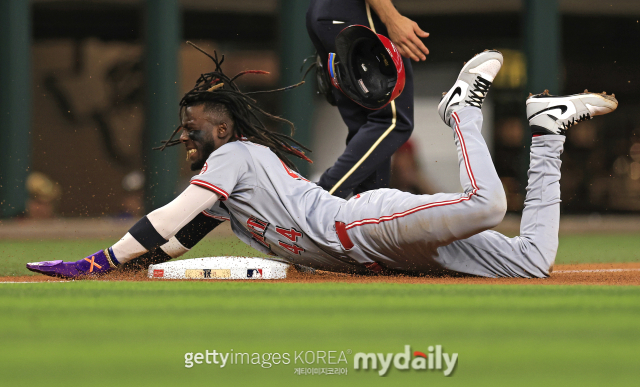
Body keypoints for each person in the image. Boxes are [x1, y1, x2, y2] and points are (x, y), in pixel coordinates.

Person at [27, 49, 618, 279]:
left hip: (364, 226)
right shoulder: (230, 188)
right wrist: (144, 261)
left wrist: (98, 260)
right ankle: (546, 128)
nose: (186, 131)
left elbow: (177, 210)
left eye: (195, 123)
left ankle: (460, 110)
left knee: (488, 205)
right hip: (386, 255)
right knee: (533, 264)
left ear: (224, 127)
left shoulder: (233, 155)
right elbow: (182, 233)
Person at [307, 0, 429, 198]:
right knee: (392, 121)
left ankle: (368, 218)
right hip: (358, 10)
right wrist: (392, 18)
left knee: (365, 127)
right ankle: (319, 199)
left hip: (324, 12)